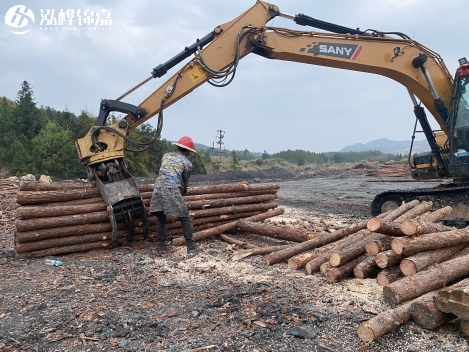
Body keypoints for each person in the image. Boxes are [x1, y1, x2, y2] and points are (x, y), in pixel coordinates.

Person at [150, 136, 202, 254]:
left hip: (157, 189)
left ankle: (162, 247)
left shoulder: (166, 155)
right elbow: (185, 181)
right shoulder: (187, 163)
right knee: (185, 218)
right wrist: (183, 192)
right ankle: (191, 247)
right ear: (188, 150)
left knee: (161, 219)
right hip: (172, 190)